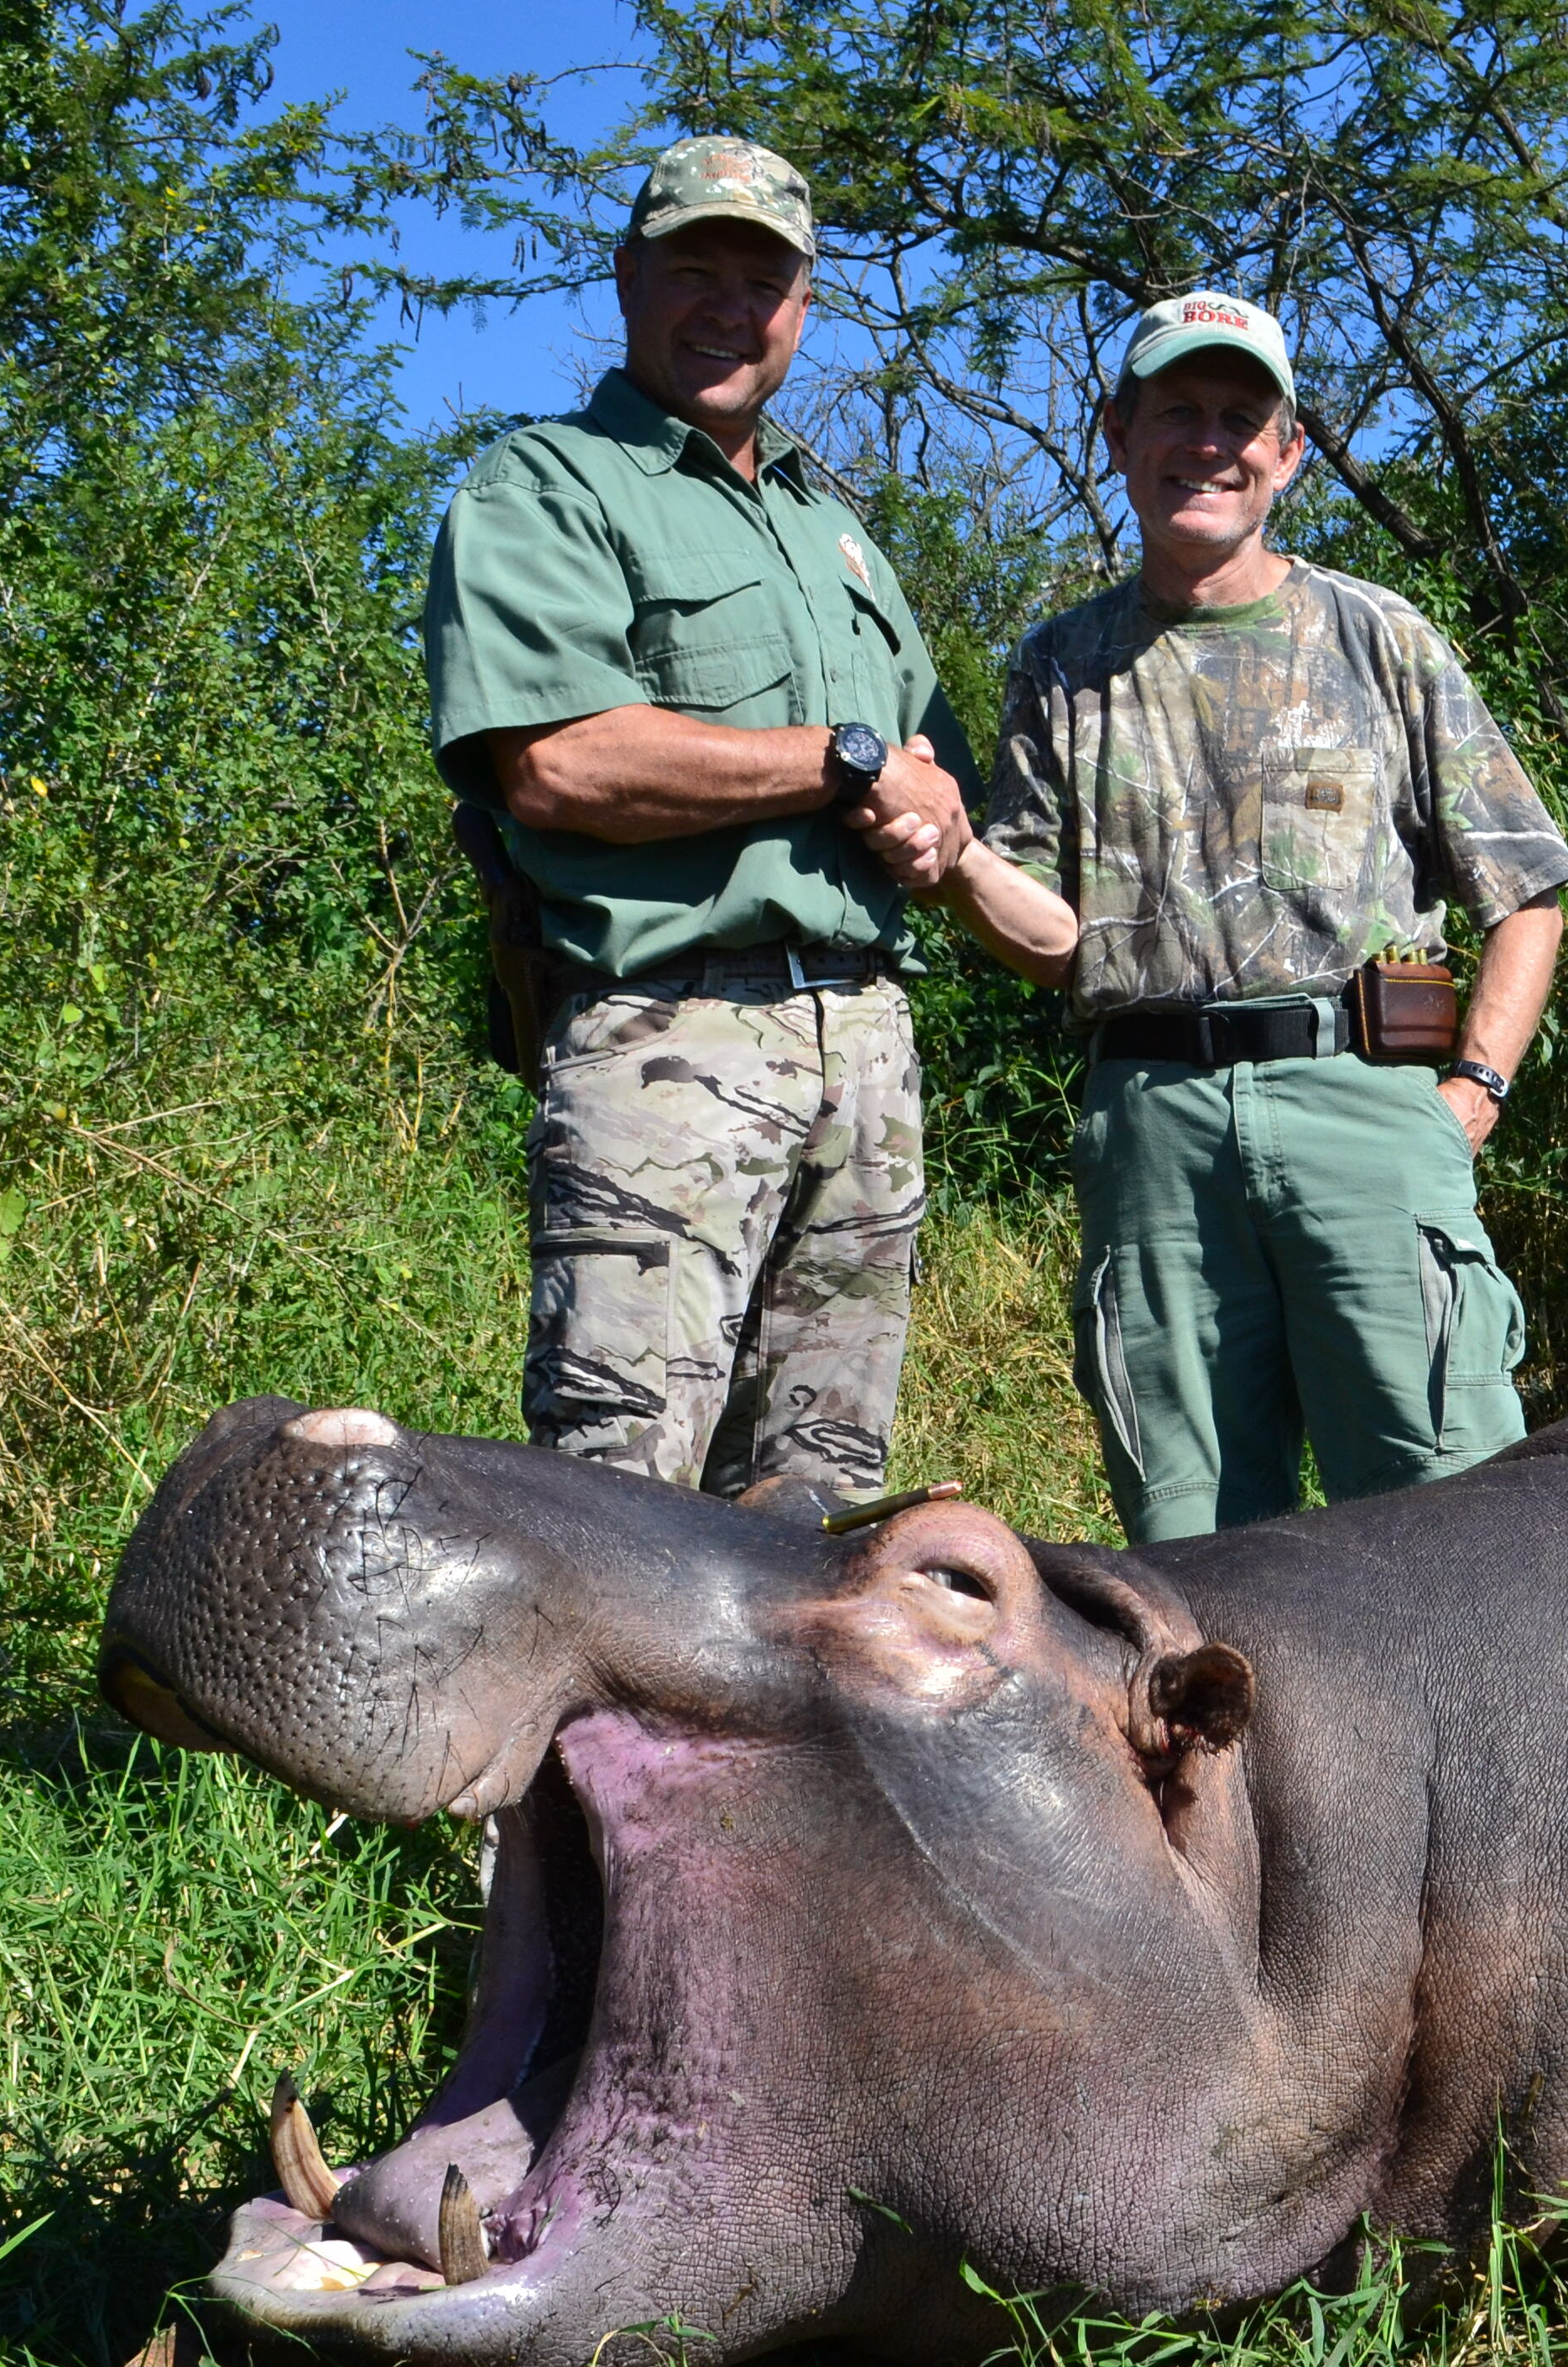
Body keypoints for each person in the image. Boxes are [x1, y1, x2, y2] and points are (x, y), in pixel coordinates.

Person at [877, 289, 1568, 1541]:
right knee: (1195, 1552)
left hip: (1369, 1109)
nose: (1210, 442)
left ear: (1289, 451)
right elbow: (1046, 938)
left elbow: (1526, 888)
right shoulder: (1060, 663)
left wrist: (1473, 1093)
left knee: (1451, 1528)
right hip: (1153, 1135)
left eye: (1241, 418)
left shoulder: (1382, 637)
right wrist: (953, 855)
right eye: (1177, 412)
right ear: (1117, 433)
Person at [420, 137, 986, 1501]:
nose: (730, 305)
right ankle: (576, 1731)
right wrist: (850, 766)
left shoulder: (834, 532)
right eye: (696, 271)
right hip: (667, 1033)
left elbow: (935, 773)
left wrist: (934, 818)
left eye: (764, 279)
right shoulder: (549, 486)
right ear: (627, 281)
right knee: (623, 1499)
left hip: (866, 1045)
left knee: (825, 1508)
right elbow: (560, 765)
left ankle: (768, 1730)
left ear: (804, 305)